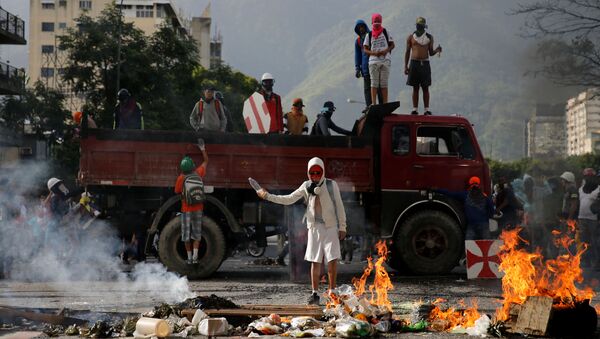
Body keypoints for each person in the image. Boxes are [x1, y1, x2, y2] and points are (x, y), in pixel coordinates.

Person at [257, 157, 347, 305]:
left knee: (332, 259)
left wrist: (343, 227)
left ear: (323, 172)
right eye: (312, 173)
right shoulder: (306, 186)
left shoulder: (331, 185)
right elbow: (288, 199)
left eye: (319, 172)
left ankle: (333, 291)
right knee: (315, 261)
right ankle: (315, 293)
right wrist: (268, 196)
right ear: (308, 173)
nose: (316, 176)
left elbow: (340, 206)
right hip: (314, 228)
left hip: (331, 227)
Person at [174, 141, 208, 265]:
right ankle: (195, 257)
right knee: (197, 234)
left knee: (186, 235)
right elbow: (206, 161)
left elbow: (177, 191)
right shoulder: (198, 173)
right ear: (193, 166)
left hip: (186, 210)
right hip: (198, 209)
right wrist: (202, 149)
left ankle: (188, 258)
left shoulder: (181, 178)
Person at [404, 17, 442, 115]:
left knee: (425, 87)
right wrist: (406, 66)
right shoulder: (411, 37)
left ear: (424, 26)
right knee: (415, 87)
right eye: (418, 25)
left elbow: (431, 52)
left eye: (421, 25)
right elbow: (407, 52)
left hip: (424, 63)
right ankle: (415, 109)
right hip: (414, 63)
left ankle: (426, 109)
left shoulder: (429, 37)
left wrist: (437, 49)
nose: (419, 27)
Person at [363, 13, 395, 105]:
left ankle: (385, 103)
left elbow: (392, 45)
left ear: (381, 21)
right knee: (374, 83)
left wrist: (386, 50)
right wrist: (374, 53)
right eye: (375, 21)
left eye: (378, 21)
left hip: (385, 60)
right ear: (372, 22)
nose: (376, 23)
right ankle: (374, 103)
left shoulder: (385, 32)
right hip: (373, 61)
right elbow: (365, 49)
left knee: (384, 83)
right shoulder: (369, 35)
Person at [354, 20, 382, 107]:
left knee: (378, 86)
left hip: (375, 65)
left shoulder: (373, 36)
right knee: (367, 88)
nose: (361, 29)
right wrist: (357, 68)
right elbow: (357, 56)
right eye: (359, 28)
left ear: (365, 26)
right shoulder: (358, 41)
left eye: (362, 27)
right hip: (365, 68)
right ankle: (369, 106)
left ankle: (381, 104)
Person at [577, 168, 598, 267]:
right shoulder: (580, 189)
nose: (588, 179)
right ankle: (586, 261)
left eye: (590, 177)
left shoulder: (599, 189)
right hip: (582, 219)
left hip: (594, 220)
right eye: (586, 177)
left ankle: (596, 262)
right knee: (584, 241)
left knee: (595, 241)